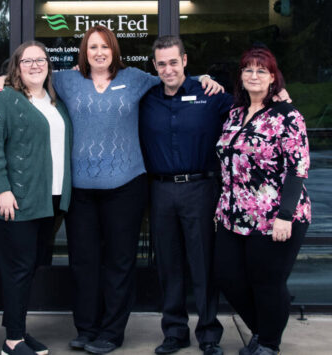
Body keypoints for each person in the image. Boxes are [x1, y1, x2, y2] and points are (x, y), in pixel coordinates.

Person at [0, 26, 221, 354]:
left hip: (126, 186)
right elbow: (28, 79)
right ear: (84, 51)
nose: (98, 52)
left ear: (114, 50)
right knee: (83, 262)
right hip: (80, 190)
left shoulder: (137, 78)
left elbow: (172, 79)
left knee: (120, 262)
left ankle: (111, 332)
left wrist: (203, 79)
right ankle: (86, 328)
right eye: (92, 46)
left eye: (104, 47)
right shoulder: (67, 81)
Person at [213, 47, 311, 355]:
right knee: (228, 277)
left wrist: (285, 215)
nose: (253, 76)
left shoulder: (288, 116)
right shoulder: (234, 113)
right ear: (240, 77)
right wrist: (222, 206)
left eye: (261, 70)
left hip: (275, 216)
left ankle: (268, 343)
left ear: (272, 77)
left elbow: (298, 169)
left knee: (267, 282)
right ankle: (265, 327)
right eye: (248, 70)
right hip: (233, 214)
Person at [0, 41, 72, 355]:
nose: (35, 65)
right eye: (27, 61)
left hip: (51, 199)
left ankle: (17, 329)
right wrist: (2, 189)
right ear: (16, 67)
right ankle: (12, 341)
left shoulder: (55, 100)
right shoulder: (5, 98)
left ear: (49, 65)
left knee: (29, 267)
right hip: (16, 200)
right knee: (17, 269)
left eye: (40, 60)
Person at [139, 35, 231, 355]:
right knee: (168, 264)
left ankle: (208, 333)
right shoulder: (146, 97)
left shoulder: (211, 95)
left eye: (173, 62)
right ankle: (175, 331)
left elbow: (253, 110)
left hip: (201, 189)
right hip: (160, 190)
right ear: (154, 66)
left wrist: (282, 96)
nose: (168, 69)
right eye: (161, 64)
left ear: (185, 61)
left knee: (202, 262)